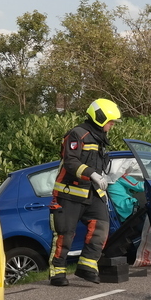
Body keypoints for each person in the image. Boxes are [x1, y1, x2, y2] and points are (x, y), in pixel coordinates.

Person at [50, 98, 121, 286]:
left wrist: (107, 178)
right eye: (110, 122)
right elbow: (71, 162)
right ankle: (57, 273)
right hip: (69, 193)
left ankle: (87, 267)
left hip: (92, 193)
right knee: (65, 234)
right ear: (100, 117)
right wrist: (93, 175)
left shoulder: (100, 139)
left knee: (101, 227)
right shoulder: (77, 134)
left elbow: (98, 166)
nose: (111, 126)